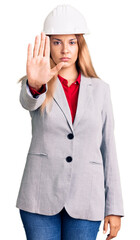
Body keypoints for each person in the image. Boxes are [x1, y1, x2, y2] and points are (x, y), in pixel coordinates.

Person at [16, 4, 124, 240]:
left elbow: (108, 148)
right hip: (39, 197)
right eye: (57, 42)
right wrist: (35, 85)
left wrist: (114, 207)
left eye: (72, 41)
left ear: (80, 45)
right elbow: (28, 102)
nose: (65, 49)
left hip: (87, 197)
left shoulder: (101, 90)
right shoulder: (39, 84)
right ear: (49, 45)